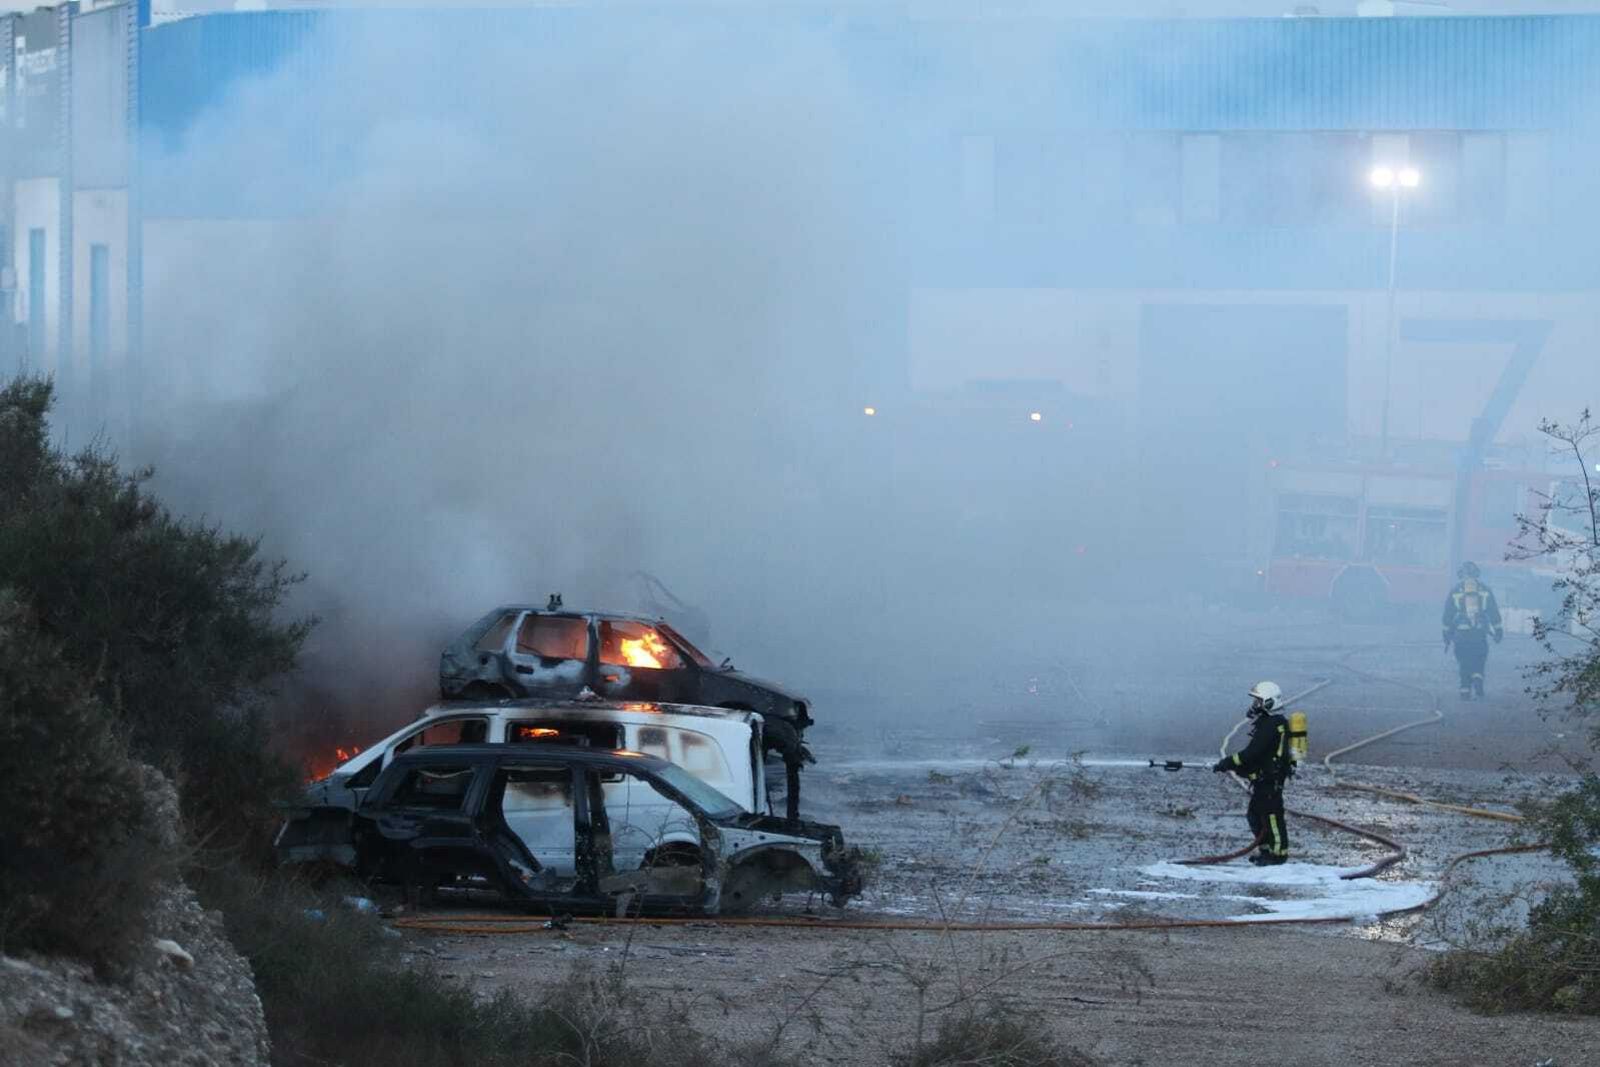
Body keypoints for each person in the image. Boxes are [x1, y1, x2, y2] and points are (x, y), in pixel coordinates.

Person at [1213, 680, 1294, 866]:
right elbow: (1257, 755)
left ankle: (1279, 855)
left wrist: (1228, 762)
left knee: (1272, 816)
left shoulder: (1273, 724)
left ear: (1269, 702)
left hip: (1271, 780)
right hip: (1263, 779)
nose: (1254, 706)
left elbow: (1252, 753)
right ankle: (1266, 851)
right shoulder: (1267, 722)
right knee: (1255, 815)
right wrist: (1238, 767)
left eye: (1258, 702)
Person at [1441, 561, 1503, 701]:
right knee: (1479, 658)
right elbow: (1493, 611)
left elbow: (1447, 615)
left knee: (1464, 661)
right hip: (1479, 633)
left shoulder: (1455, 590)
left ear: (1461, 574)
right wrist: (1498, 631)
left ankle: (1465, 690)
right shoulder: (1485, 590)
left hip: (1461, 634)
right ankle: (1477, 677)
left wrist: (1446, 634)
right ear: (1477, 574)